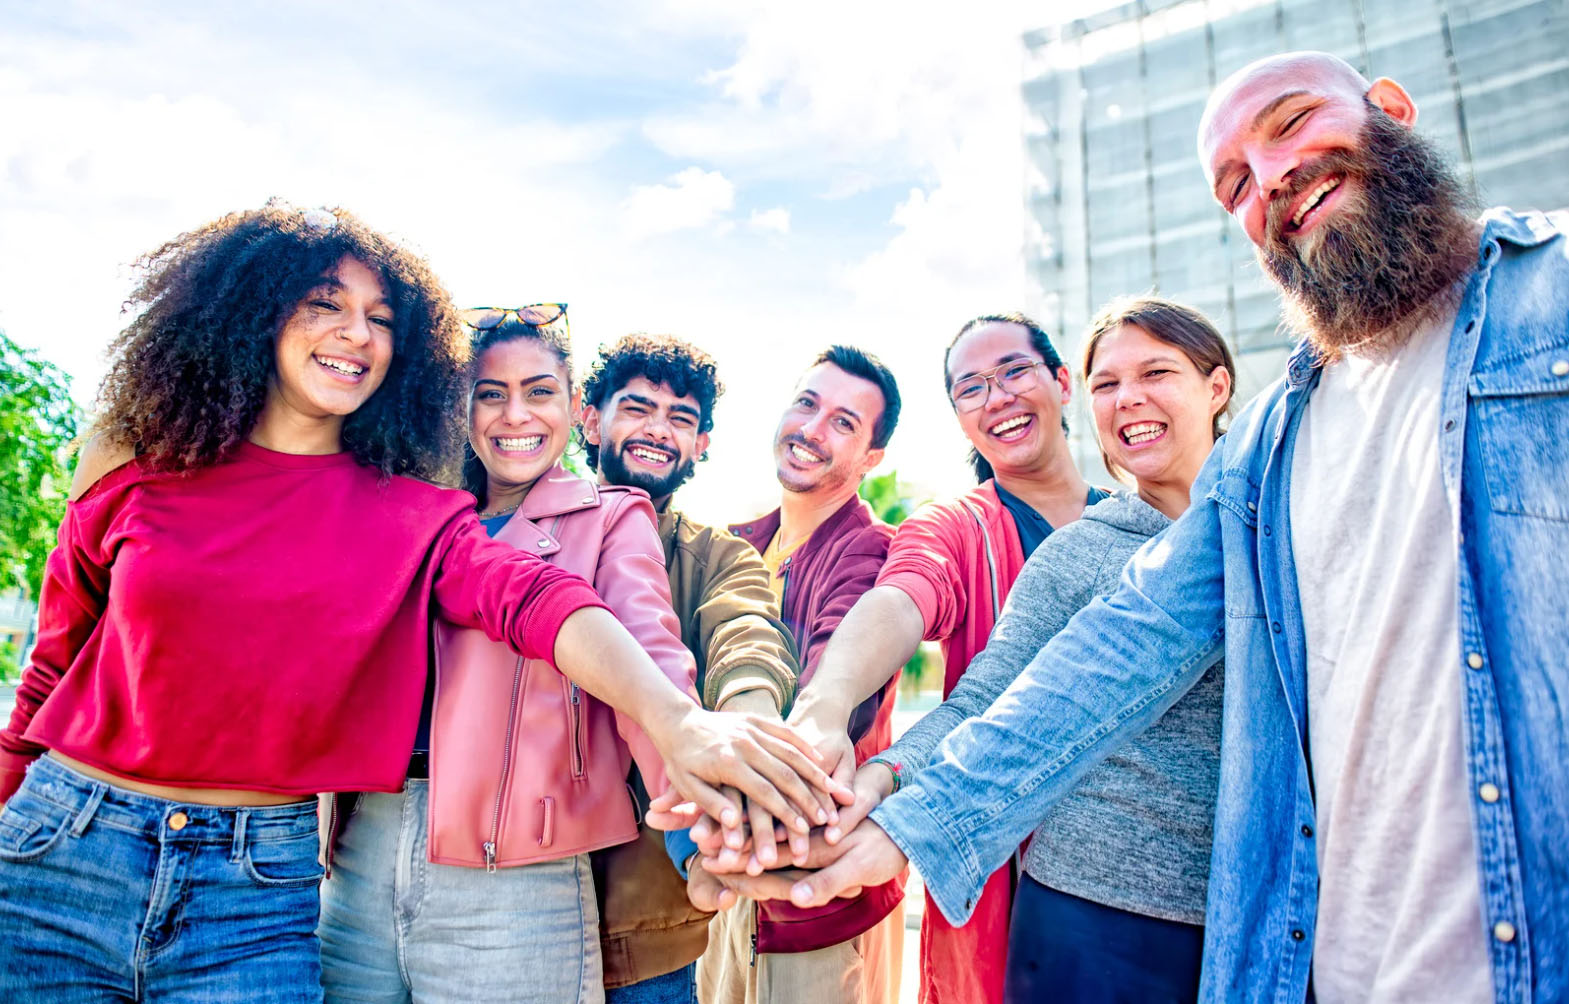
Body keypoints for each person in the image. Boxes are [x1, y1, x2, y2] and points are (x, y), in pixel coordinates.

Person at [769, 51, 1569, 1003]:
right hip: (1288, 952)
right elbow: (1081, 658)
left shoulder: (1547, 291)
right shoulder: (1273, 452)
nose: (1269, 179)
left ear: (1390, 110)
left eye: (1290, 123)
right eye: (1233, 183)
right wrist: (889, 786)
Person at [0, 207, 838, 1002]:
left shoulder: (416, 515)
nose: (356, 333)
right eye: (325, 303)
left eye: (382, 318)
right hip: (68, 841)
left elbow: (559, 606)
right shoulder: (137, 462)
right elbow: (51, 670)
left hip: (267, 883)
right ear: (252, 311)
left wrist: (684, 737)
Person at [317, 310, 705, 1001]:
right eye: (489, 393)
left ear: (574, 409)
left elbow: (651, 660)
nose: (513, 414)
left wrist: (697, 822)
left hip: (521, 871)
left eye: (539, 391)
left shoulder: (610, 516)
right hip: (360, 857)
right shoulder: (404, 513)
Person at [745, 311, 1110, 1004]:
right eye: (970, 387)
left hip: (1138, 882)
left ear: (1061, 383)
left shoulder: (1139, 526)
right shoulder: (956, 526)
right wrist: (823, 707)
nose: (995, 397)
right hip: (1009, 881)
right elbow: (902, 597)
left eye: (1013, 372)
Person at [578, 333, 801, 1003]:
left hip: (651, 930)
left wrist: (750, 726)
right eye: (637, 407)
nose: (658, 430)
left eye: (680, 418)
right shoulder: (525, 533)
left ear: (701, 443)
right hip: (509, 914)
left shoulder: (716, 556)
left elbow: (747, 632)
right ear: (589, 419)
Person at [695, 346, 905, 1004]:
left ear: (871, 459)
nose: (812, 430)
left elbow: (833, 703)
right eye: (807, 403)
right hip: (728, 885)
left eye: (844, 422)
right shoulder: (736, 543)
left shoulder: (868, 550)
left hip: (822, 900)